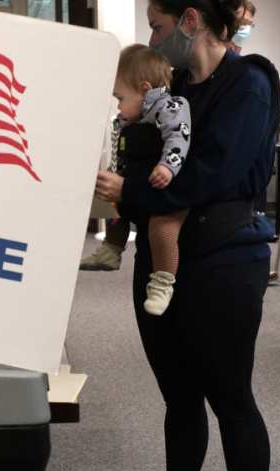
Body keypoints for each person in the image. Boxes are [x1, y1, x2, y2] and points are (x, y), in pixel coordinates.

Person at [93, 0, 280, 471]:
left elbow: (208, 177)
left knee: (229, 398)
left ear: (191, 20)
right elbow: (140, 156)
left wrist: (128, 194)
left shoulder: (248, 85)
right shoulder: (170, 90)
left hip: (224, 261)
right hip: (162, 261)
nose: (152, 36)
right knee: (178, 395)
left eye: (156, 25)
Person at [80, 45, 193, 315]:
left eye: (120, 97)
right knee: (117, 210)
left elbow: (179, 138)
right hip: (138, 184)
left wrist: (167, 167)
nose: (118, 105)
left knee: (161, 228)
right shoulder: (132, 116)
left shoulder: (172, 107)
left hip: (166, 187)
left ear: (144, 89)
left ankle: (163, 281)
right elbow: (122, 149)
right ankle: (111, 249)